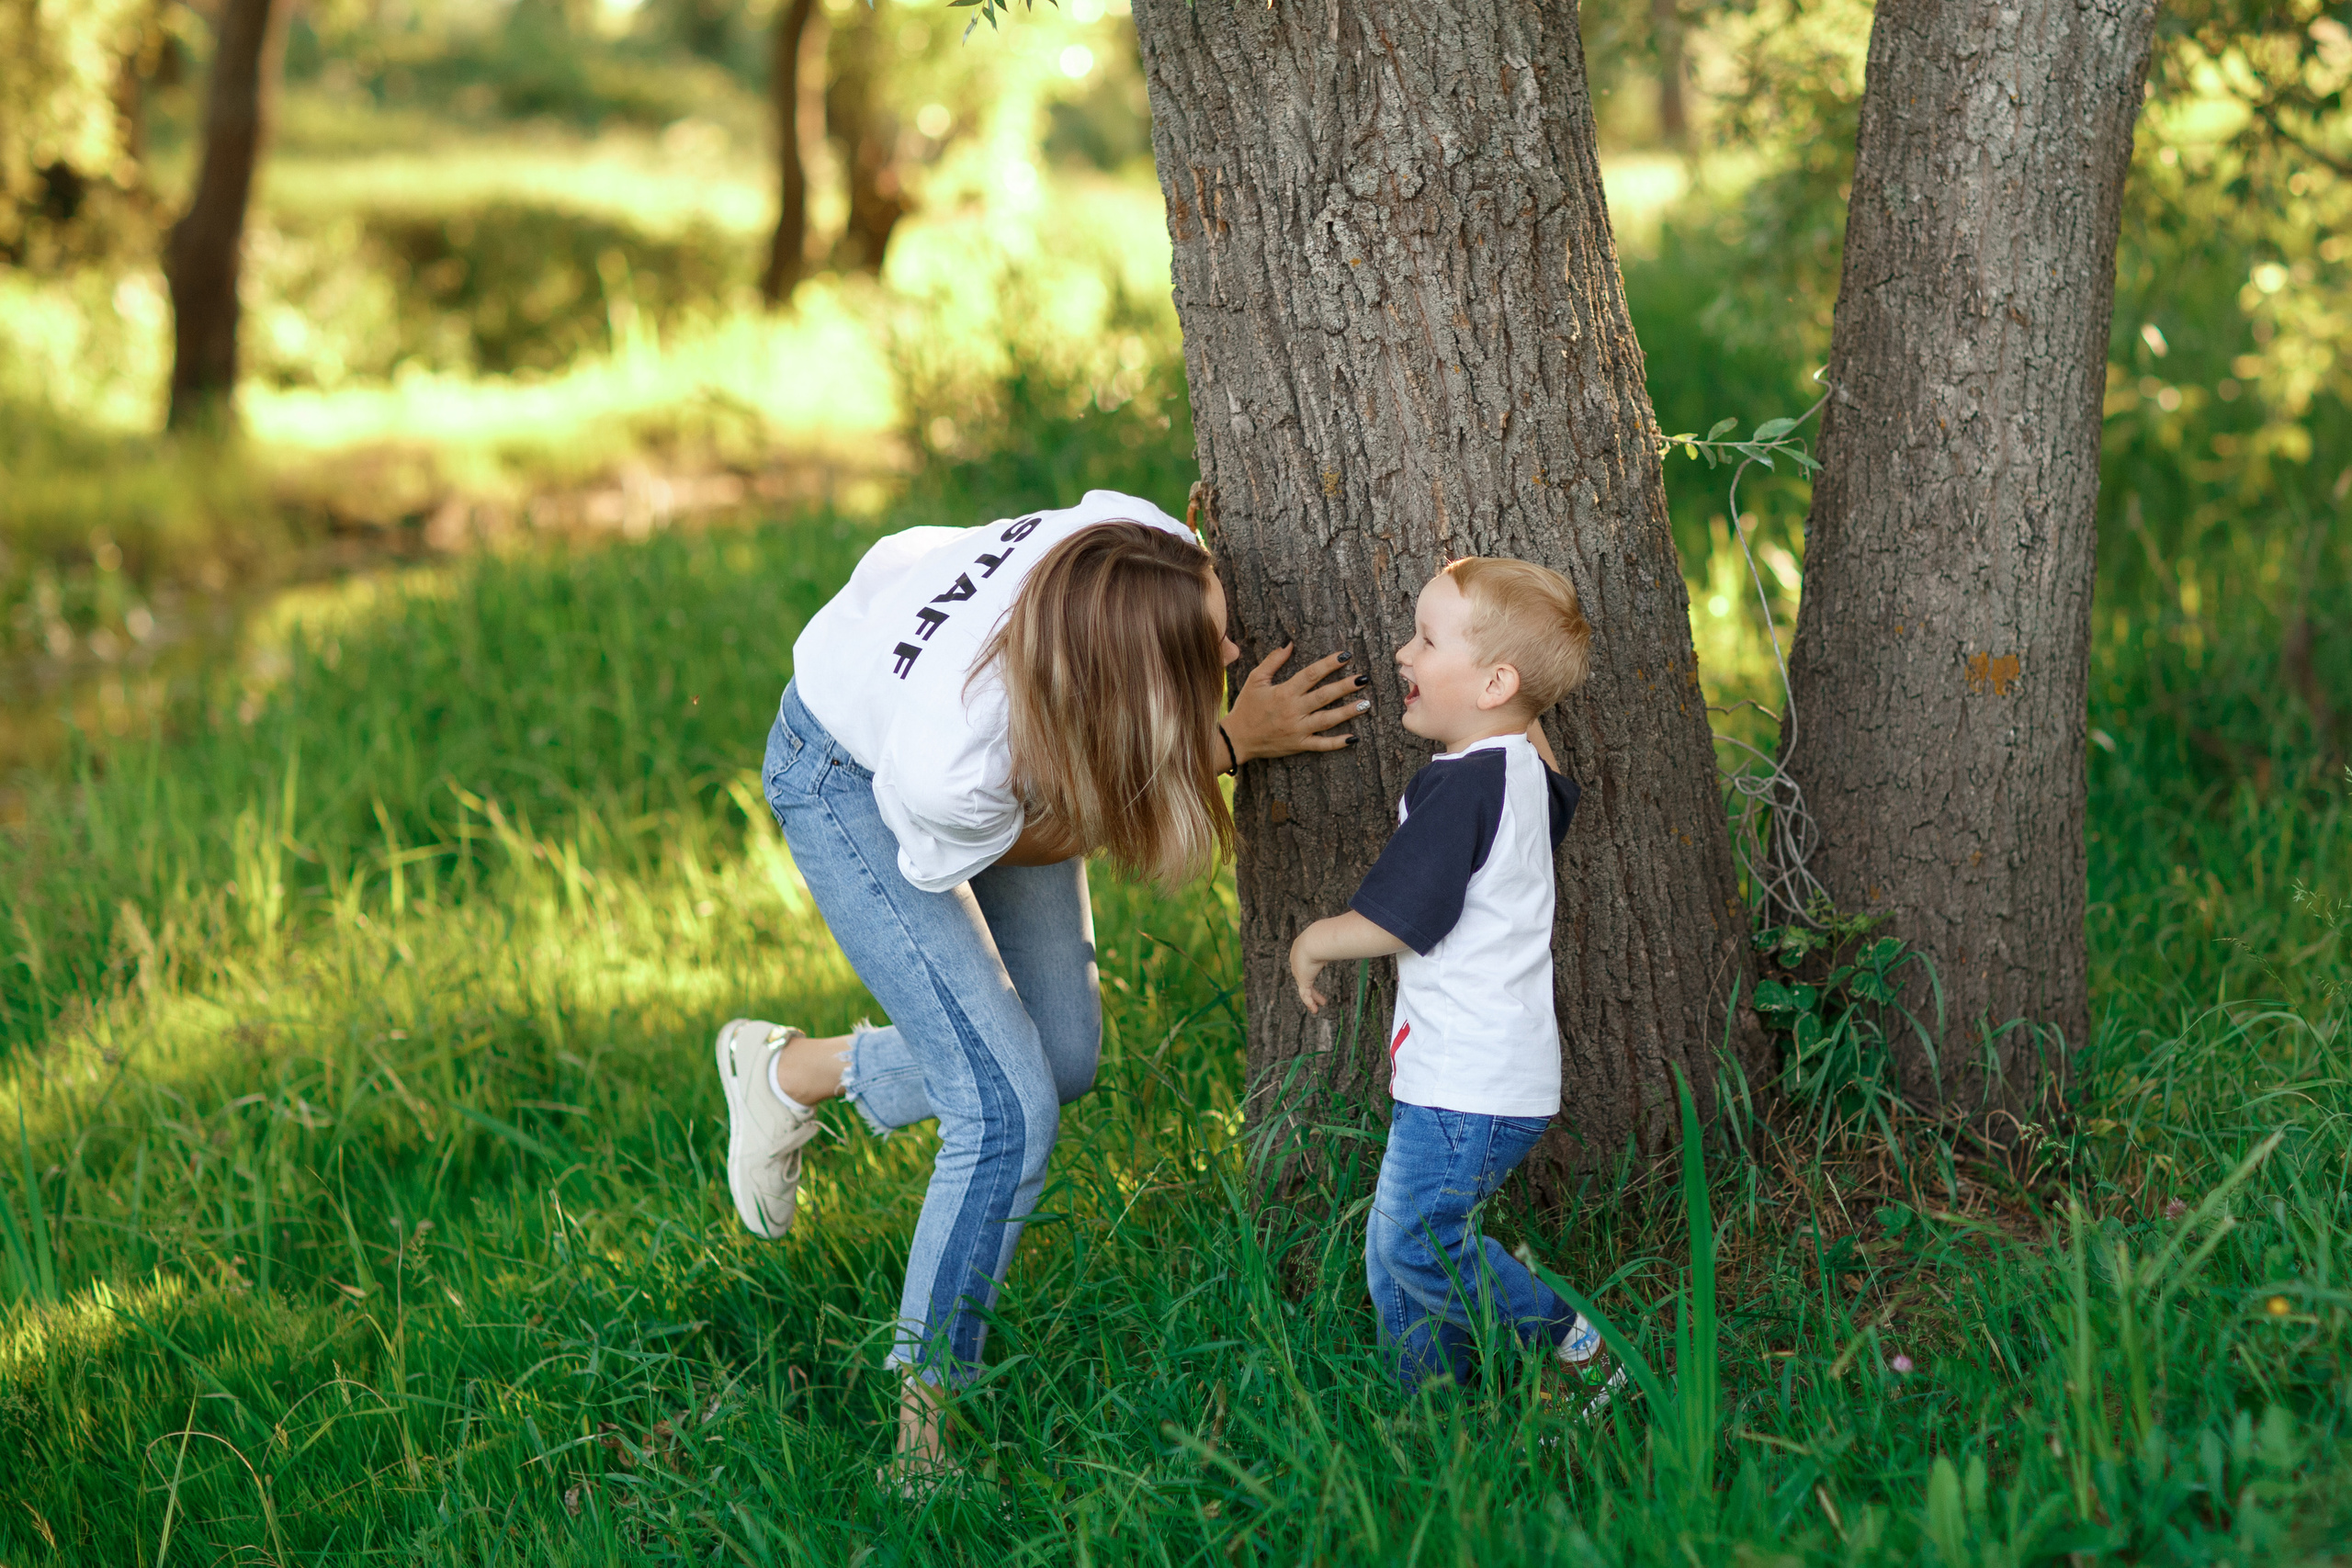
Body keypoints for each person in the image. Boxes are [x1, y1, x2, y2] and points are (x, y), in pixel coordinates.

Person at [714, 491, 1362, 1476]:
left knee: (1055, 1055)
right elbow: (1035, 832)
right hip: (847, 768)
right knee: (1003, 1109)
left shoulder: (1145, 542)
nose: (1228, 662)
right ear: (1124, 688)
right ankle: (924, 1446)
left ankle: (786, 1075)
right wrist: (1223, 748)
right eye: (1206, 656)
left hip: (1010, 706)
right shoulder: (954, 766)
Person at [1287, 557, 1620, 1405]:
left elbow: (1405, 915)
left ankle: (1569, 1338)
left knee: (1414, 1243)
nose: (1401, 653)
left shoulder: (1460, 789)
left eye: (1426, 639)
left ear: (1494, 681)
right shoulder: (1524, 777)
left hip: (1463, 1082)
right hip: (1496, 1073)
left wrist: (1316, 939)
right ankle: (1433, 1407)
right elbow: (1530, 733)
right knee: (1406, 1245)